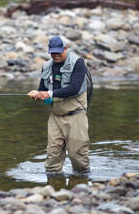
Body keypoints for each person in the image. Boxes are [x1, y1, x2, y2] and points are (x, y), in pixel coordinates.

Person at [28, 35, 90, 174]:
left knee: (78, 157)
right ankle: (53, 189)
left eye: (59, 52)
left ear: (66, 49)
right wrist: (37, 94)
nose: (55, 56)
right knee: (52, 157)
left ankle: (82, 187)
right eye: (53, 53)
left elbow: (74, 88)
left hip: (75, 116)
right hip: (55, 117)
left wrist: (49, 94)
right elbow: (42, 88)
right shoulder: (46, 66)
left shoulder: (78, 63)